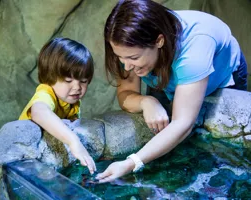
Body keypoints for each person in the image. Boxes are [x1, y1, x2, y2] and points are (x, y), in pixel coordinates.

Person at [96, 0, 248, 183]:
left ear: (159, 41)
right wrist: (146, 102)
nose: (126, 66)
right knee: (161, 131)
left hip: (221, 73)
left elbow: (183, 124)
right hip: (163, 70)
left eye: (133, 57)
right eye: (120, 57)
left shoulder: (195, 47)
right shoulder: (130, 47)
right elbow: (126, 93)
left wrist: (131, 163)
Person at [19, 37, 96, 174]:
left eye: (83, 81)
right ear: (50, 77)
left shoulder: (72, 102)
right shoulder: (46, 92)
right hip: (23, 158)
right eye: (68, 80)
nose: (77, 87)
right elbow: (39, 111)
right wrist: (73, 142)